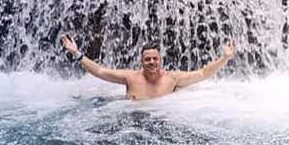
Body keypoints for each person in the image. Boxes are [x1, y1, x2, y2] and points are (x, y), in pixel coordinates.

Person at [60, 35, 236, 100]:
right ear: (142, 62)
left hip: (162, 121)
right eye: (147, 59)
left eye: (154, 59)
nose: (151, 62)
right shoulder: (130, 77)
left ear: (160, 60)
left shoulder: (173, 79)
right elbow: (99, 71)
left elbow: (203, 73)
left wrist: (225, 57)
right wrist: (77, 53)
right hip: (133, 125)